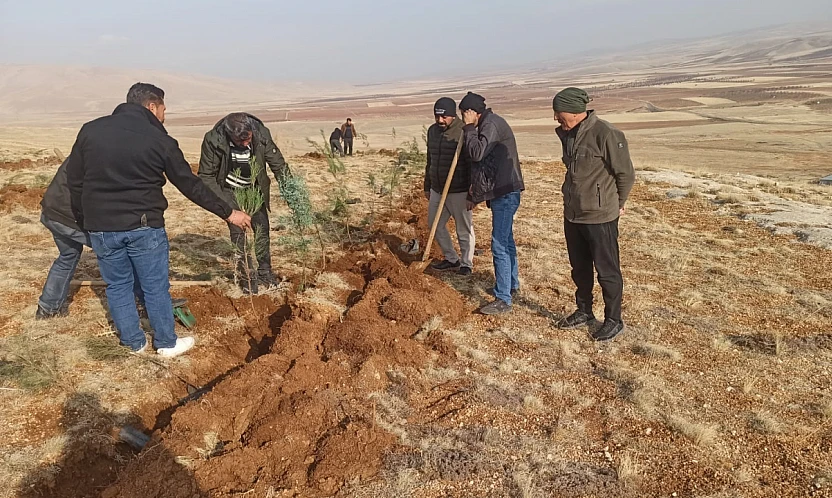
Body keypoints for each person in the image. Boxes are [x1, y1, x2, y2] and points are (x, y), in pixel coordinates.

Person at [67, 83, 251, 357]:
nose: (165, 116)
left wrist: (87, 221)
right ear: (152, 106)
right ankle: (166, 343)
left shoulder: (90, 131)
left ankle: (134, 343)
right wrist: (228, 212)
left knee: (117, 286)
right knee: (154, 287)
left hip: (102, 228)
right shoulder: (159, 139)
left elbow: (75, 181)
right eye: (164, 109)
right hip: (144, 226)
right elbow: (189, 183)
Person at [553, 87, 635, 341]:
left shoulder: (606, 134)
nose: (556, 118)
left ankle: (614, 319)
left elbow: (626, 174)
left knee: (607, 270)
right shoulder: (568, 134)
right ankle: (584, 310)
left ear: (575, 112)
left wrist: (617, 203)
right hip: (574, 214)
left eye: (558, 113)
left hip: (601, 216)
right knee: (579, 268)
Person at [198, 112, 291, 295]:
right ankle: (246, 277)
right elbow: (206, 176)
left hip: (254, 187)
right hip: (229, 190)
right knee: (238, 232)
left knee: (262, 227)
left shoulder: (261, 133)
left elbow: (277, 162)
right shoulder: (213, 140)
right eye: (241, 142)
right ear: (229, 134)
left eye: (248, 139)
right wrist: (225, 207)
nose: (246, 144)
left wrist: (290, 190)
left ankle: (265, 271)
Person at [460, 92, 525, 315]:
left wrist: (469, 129)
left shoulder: (491, 125)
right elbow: (485, 164)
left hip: (505, 193)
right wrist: (475, 192)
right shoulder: (489, 123)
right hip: (502, 191)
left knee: (499, 244)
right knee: (506, 241)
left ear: (472, 112)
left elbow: (477, 154)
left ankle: (503, 298)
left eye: (464, 114)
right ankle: (511, 285)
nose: (462, 119)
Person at [424, 97, 474, 276]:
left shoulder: (464, 131)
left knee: (463, 228)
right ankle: (451, 258)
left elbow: (472, 164)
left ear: (453, 115)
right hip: (437, 188)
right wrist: (427, 185)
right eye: (437, 116)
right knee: (434, 224)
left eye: (444, 117)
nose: (440, 121)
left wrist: (471, 192)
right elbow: (430, 160)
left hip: (459, 190)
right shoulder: (432, 131)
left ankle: (467, 264)